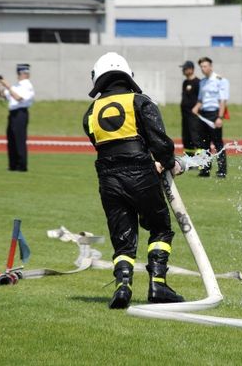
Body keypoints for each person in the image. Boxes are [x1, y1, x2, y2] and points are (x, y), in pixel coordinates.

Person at [83, 52, 185, 309]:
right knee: (160, 228)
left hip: (108, 179)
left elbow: (102, 144)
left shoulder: (91, 112)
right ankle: (158, 284)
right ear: (127, 76)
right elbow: (159, 140)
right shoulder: (140, 102)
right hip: (141, 174)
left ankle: (122, 286)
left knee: (123, 236)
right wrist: (170, 162)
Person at [191, 57, 229, 178]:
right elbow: (201, 100)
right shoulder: (202, 82)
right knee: (203, 144)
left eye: (205, 66)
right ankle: (205, 170)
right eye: (201, 67)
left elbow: (223, 101)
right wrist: (196, 107)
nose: (203, 69)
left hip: (214, 114)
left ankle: (222, 170)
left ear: (211, 66)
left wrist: (220, 117)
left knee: (218, 143)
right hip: (203, 114)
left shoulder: (220, 80)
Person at [0, 63, 35, 172]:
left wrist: (8, 86)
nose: (18, 75)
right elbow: (2, 96)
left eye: (20, 73)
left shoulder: (27, 85)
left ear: (23, 73)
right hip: (12, 114)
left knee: (19, 140)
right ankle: (12, 165)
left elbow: (19, 98)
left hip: (21, 113)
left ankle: (21, 166)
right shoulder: (16, 86)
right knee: (11, 139)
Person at [179, 60, 200, 156]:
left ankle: (200, 162)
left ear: (191, 69)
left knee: (195, 137)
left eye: (185, 68)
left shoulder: (198, 82)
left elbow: (201, 99)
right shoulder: (185, 82)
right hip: (185, 115)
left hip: (194, 116)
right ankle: (189, 160)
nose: (183, 70)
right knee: (186, 138)